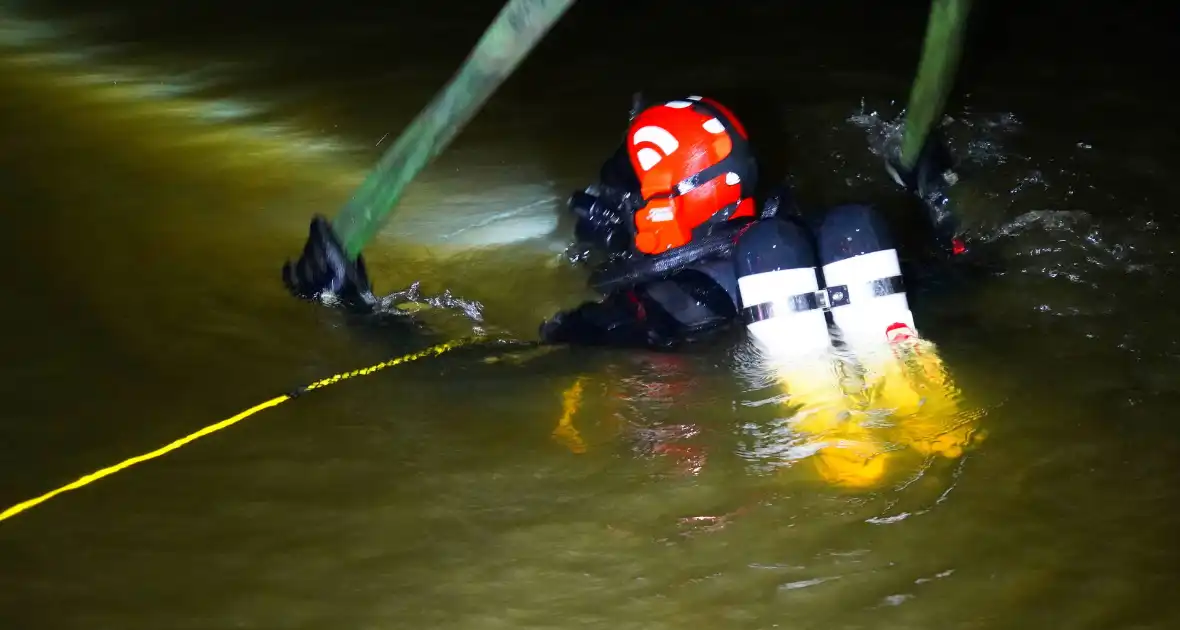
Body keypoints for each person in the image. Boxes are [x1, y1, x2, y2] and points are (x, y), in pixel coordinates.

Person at [282, 94, 963, 352]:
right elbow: (957, 269)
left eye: (628, 195)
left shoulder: (656, 308)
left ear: (675, 199)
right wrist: (935, 208)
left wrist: (355, 310)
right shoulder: (815, 238)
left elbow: (483, 380)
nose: (611, 210)